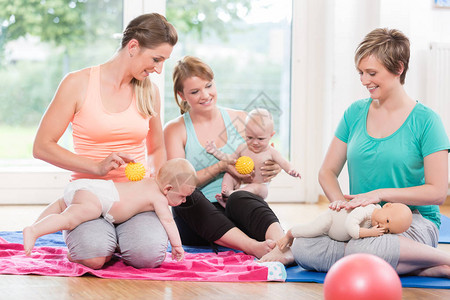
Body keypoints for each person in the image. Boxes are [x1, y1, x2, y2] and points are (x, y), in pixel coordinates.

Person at [261, 28, 450, 278]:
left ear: (399, 69)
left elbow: (438, 192)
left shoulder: (427, 121)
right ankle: (426, 269)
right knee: (305, 246)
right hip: (363, 222)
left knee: (362, 248)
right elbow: (327, 172)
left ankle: (441, 258)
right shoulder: (355, 113)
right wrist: (341, 207)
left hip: (411, 222)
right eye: (360, 73)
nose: (363, 80)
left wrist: (379, 194)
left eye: (371, 73)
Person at [32, 13, 178, 269]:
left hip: (135, 200)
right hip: (91, 198)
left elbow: (156, 147)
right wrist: (97, 167)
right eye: (156, 59)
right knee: (93, 256)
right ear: (133, 46)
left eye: (163, 61)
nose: (159, 69)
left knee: (147, 257)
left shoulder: (149, 91)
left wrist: (159, 185)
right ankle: (103, 239)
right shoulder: (77, 83)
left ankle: (121, 238)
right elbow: (42, 146)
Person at [164, 56, 286, 258]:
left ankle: (283, 246)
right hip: (198, 221)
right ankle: (251, 246)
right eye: (195, 92)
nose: (205, 95)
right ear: (181, 95)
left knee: (241, 196)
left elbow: (262, 161)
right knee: (187, 195)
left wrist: (273, 167)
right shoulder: (175, 129)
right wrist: (221, 166)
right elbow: (178, 184)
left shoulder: (240, 119)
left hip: (235, 210)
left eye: (208, 86)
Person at [23, 158, 197, 261]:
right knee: (69, 219)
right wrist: (177, 246)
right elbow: (167, 221)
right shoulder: (159, 198)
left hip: (94, 187)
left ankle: (35, 225)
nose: (183, 201)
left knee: (62, 204)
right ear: (167, 189)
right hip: (100, 200)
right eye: (182, 196)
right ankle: (34, 230)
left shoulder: (149, 182)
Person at [205, 108, 301, 205]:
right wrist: (215, 151)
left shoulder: (271, 152)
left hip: (259, 187)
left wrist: (291, 170)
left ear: (271, 135)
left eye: (260, 139)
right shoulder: (242, 148)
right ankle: (226, 198)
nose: (255, 142)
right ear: (245, 133)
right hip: (241, 183)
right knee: (228, 175)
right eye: (250, 137)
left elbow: (283, 162)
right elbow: (230, 159)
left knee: (256, 187)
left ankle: (232, 194)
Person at [277, 203, 412, 251]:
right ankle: (290, 233)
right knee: (313, 229)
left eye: (387, 230)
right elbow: (350, 226)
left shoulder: (374, 223)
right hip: (330, 221)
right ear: (386, 206)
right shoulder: (367, 210)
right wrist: (369, 233)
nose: (383, 226)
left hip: (335, 235)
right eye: (387, 220)